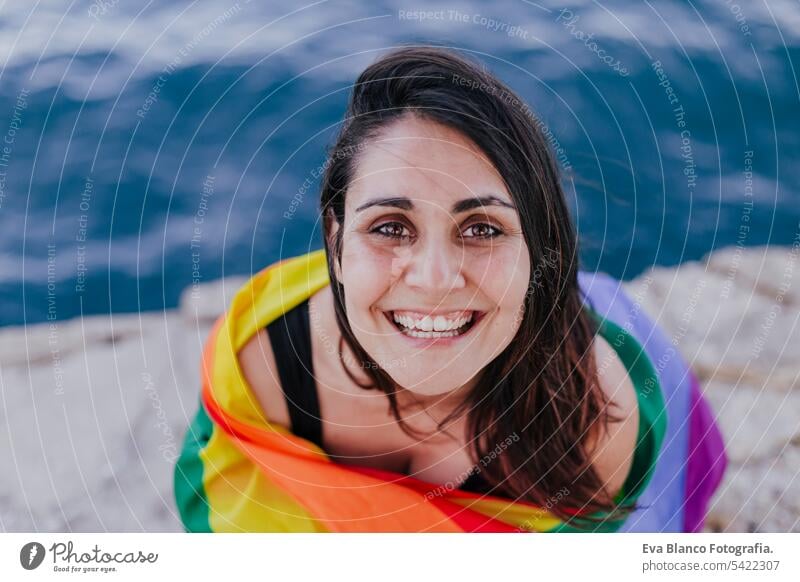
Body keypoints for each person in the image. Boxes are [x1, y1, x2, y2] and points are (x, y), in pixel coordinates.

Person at [174, 47, 726, 532]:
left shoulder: (591, 425)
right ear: (336, 245)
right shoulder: (264, 368)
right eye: (390, 227)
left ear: (537, 247)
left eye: (482, 228)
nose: (434, 280)